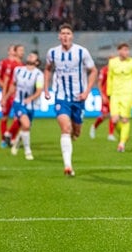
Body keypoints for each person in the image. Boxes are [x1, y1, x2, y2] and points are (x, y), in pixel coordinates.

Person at [43, 23, 97, 177]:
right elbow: (47, 68)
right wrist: (46, 88)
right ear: (59, 36)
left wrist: (87, 91)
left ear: (72, 36)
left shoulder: (81, 52)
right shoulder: (52, 53)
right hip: (61, 98)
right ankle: (68, 166)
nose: (65, 36)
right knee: (65, 128)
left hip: (79, 98)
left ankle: (73, 136)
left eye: (68, 33)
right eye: (63, 33)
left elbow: (93, 71)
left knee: (76, 132)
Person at [2, 51, 44, 160]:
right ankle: (27, 152)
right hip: (19, 103)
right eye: (29, 54)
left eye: (33, 56)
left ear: (37, 62)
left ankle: (16, 143)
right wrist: (5, 98)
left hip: (31, 105)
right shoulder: (18, 70)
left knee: (26, 127)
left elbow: (39, 91)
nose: (30, 55)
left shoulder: (39, 74)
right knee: (25, 125)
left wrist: (30, 98)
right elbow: (13, 86)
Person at [106, 43, 132, 152]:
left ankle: (121, 143)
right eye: (124, 50)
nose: (126, 52)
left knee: (125, 119)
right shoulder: (112, 62)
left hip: (128, 94)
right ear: (119, 51)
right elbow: (109, 78)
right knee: (114, 120)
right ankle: (123, 136)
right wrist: (108, 93)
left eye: (127, 50)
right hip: (115, 94)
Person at [0, 44, 24, 148]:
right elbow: (1, 78)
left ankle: (11, 138)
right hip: (8, 94)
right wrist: (4, 92)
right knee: (4, 116)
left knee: (19, 118)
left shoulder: (22, 65)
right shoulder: (6, 63)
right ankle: (4, 139)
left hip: (17, 94)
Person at [90, 57, 116, 141]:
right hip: (105, 95)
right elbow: (100, 83)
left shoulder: (117, 71)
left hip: (114, 96)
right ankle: (94, 126)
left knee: (113, 114)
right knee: (104, 115)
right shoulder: (104, 70)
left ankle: (111, 134)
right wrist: (102, 95)